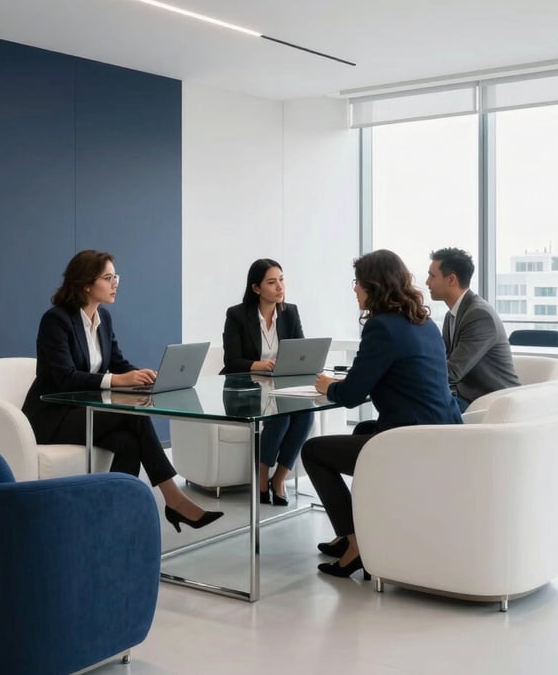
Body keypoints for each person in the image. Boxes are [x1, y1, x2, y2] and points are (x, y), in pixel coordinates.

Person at [22, 249, 223, 533]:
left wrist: (144, 377)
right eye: (108, 277)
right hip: (51, 416)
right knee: (133, 415)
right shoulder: (56, 320)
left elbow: (117, 362)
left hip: (84, 411)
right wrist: (117, 380)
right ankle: (173, 497)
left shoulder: (103, 319)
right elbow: (65, 377)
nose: (116, 282)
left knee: (128, 440)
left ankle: (112, 517)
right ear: (85, 284)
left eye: (116, 276)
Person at [301, 249, 462, 580]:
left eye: (357, 283)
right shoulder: (424, 322)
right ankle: (362, 529)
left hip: (412, 441)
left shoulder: (381, 328)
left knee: (313, 452)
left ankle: (356, 543)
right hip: (444, 433)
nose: (355, 289)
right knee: (363, 428)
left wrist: (327, 386)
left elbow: (350, 395)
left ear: (372, 286)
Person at [222, 258, 313, 506]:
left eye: (281, 280)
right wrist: (258, 365)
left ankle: (279, 478)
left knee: (307, 414)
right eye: (272, 282)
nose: (279, 287)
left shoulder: (290, 312)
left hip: (279, 389)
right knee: (281, 415)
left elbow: (301, 352)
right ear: (256, 288)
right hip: (245, 390)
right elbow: (231, 361)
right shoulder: (237, 315)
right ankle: (262, 477)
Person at [427, 247, 519, 411]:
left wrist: (411, 375)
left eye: (432, 276)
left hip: (493, 403)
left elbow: (452, 371)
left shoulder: (479, 315)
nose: (427, 282)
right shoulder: (452, 315)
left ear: (452, 280)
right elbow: (444, 360)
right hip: (468, 397)